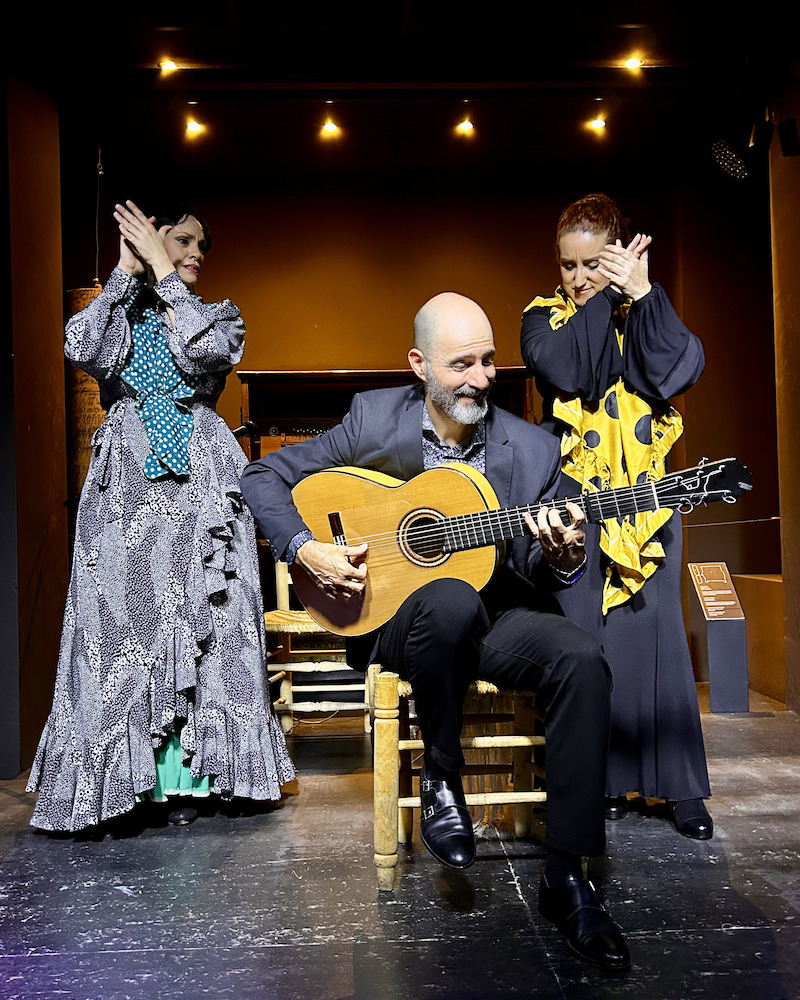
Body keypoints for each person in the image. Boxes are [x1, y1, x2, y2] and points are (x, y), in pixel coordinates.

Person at [241, 291, 631, 971]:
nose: (481, 378)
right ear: (419, 365)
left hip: (497, 615)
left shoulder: (534, 449)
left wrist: (564, 552)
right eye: (461, 364)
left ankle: (568, 878)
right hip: (395, 619)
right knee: (447, 601)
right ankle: (442, 778)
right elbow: (263, 475)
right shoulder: (372, 419)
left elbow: (539, 562)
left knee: (582, 658)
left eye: (489, 361)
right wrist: (306, 549)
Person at [27, 200, 294, 832]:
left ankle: (205, 775)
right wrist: (126, 270)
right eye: (184, 240)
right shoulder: (119, 314)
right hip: (127, 487)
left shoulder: (217, 316)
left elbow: (205, 354)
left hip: (201, 485)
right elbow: (81, 347)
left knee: (210, 620)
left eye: (203, 245)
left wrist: (166, 273)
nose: (197, 253)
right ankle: (127, 782)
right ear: (152, 237)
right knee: (123, 626)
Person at [520, 192, 711, 840]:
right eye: (569, 265)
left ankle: (681, 790)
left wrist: (646, 294)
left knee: (658, 633)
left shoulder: (641, 312)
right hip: (573, 498)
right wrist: (606, 293)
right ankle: (597, 779)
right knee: (587, 639)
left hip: (647, 502)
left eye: (593, 265)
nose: (578, 278)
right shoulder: (543, 317)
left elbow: (676, 370)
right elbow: (567, 367)